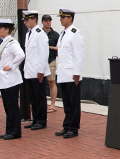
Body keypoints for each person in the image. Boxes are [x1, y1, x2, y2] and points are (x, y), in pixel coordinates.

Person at [55, 9, 85, 138]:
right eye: (60, 17)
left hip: (72, 75)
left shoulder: (75, 34)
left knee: (73, 103)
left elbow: (79, 55)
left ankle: (73, 128)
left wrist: (77, 74)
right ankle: (67, 125)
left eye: (63, 17)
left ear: (70, 18)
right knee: (66, 102)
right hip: (63, 74)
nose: (61, 19)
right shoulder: (63, 33)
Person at [0, 19, 26, 140]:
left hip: (11, 80)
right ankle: (9, 130)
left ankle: (15, 132)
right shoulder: (4, 42)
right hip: (4, 80)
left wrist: (12, 66)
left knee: (12, 106)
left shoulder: (12, 43)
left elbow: (21, 55)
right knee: (8, 106)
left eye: (0, 28)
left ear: (7, 30)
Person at [22, 11, 49, 130]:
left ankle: (41, 120)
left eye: (27, 20)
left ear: (34, 20)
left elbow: (44, 54)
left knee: (39, 97)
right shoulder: (29, 34)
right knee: (32, 97)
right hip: (29, 71)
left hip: (37, 71)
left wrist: (41, 71)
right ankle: (36, 119)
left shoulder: (40, 34)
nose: (25, 22)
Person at [42, 15, 60, 113]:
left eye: (49, 21)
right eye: (46, 21)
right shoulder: (39, 34)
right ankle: (40, 104)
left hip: (51, 60)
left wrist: (50, 47)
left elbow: (60, 48)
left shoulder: (55, 35)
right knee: (39, 83)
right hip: (40, 61)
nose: (48, 22)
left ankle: (52, 105)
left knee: (52, 82)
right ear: (42, 22)